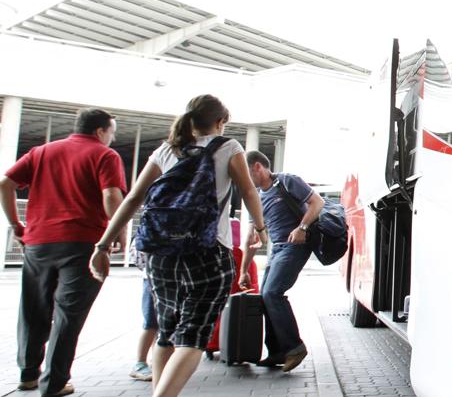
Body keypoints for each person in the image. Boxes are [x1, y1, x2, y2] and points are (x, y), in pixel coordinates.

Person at [88, 95, 266, 397]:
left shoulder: (166, 149)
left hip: (160, 254)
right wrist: (260, 229)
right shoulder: (229, 147)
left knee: (167, 334)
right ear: (220, 122)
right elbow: (248, 190)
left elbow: (133, 199)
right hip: (209, 251)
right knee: (192, 338)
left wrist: (102, 246)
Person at [0, 108, 126, 396]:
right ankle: (54, 383)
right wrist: (117, 233)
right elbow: (110, 195)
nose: (112, 138)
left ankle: (28, 374)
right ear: (100, 131)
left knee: (34, 308)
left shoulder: (41, 152)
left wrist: (15, 225)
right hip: (82, 244)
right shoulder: (105, 155)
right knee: (69, 314)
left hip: (38, 243)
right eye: (112, 132)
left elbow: (5, 183)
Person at [238, 151, 323, 373]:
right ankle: (276, 352)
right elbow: (250, 238)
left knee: (273, 293)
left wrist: (301, 228)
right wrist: (244, 270)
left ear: (257, 167)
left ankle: (295, 347)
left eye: (246, 173)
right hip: (277, 249)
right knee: (265, 296)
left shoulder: (286, 181)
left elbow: (317, 202)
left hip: (295, 245)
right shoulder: (255, 195)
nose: (244, 179)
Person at [127, 230, 156, 381]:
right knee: (151, 323)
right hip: (152, 278)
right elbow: (138, 256)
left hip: (154, 276)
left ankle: (154, 361)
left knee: (160, 324)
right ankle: (140, 363)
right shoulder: (150, 227)